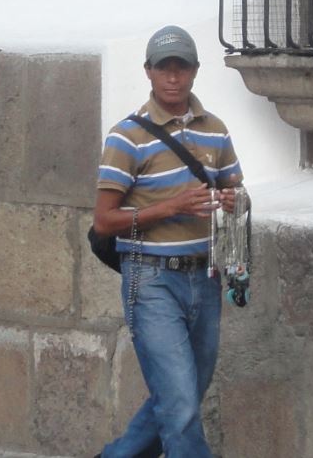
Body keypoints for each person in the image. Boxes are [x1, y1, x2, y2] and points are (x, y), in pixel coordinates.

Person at [92, 25, 243, 458]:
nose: (173, 77)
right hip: (149, 279)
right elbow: (104, 221)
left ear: (195, 72)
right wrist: (170, 207)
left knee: (181, 398)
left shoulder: (215, 130)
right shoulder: (126, 136)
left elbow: (236, 190)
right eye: (164, 68)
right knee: (179, 405)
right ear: (148, 72)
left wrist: (233, 201)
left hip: (204, 277)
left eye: (181, 67)